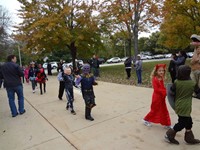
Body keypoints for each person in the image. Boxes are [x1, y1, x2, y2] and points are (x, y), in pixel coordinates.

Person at [165, 65, 200, 145]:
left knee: (188, 121)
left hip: (178, 104)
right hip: (185, 106)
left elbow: (171, 92)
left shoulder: (176, 82)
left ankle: (189, 138)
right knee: (182, 123)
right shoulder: (192, 83)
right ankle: (168, 135)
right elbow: (198, 93)